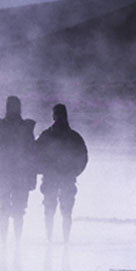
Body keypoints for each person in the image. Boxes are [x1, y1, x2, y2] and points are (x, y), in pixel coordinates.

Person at [0, 95, 37, 244]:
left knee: (5, 209)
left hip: (5, 173)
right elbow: (32, 152)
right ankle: (15, 242)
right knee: (17, 210)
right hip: (17, 174)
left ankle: (6, 242)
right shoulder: (25, 128)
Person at [36, 103, 88, 244]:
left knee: (52, 210)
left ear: (54, 115)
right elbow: (83, 157)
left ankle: (52, 239)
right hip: (64, 178)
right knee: (63, 211)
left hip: (55, 177)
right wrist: (74, 172)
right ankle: (61, 239)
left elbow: (35, 154)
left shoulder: (47, 135)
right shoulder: (74, 136)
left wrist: (43, 169)